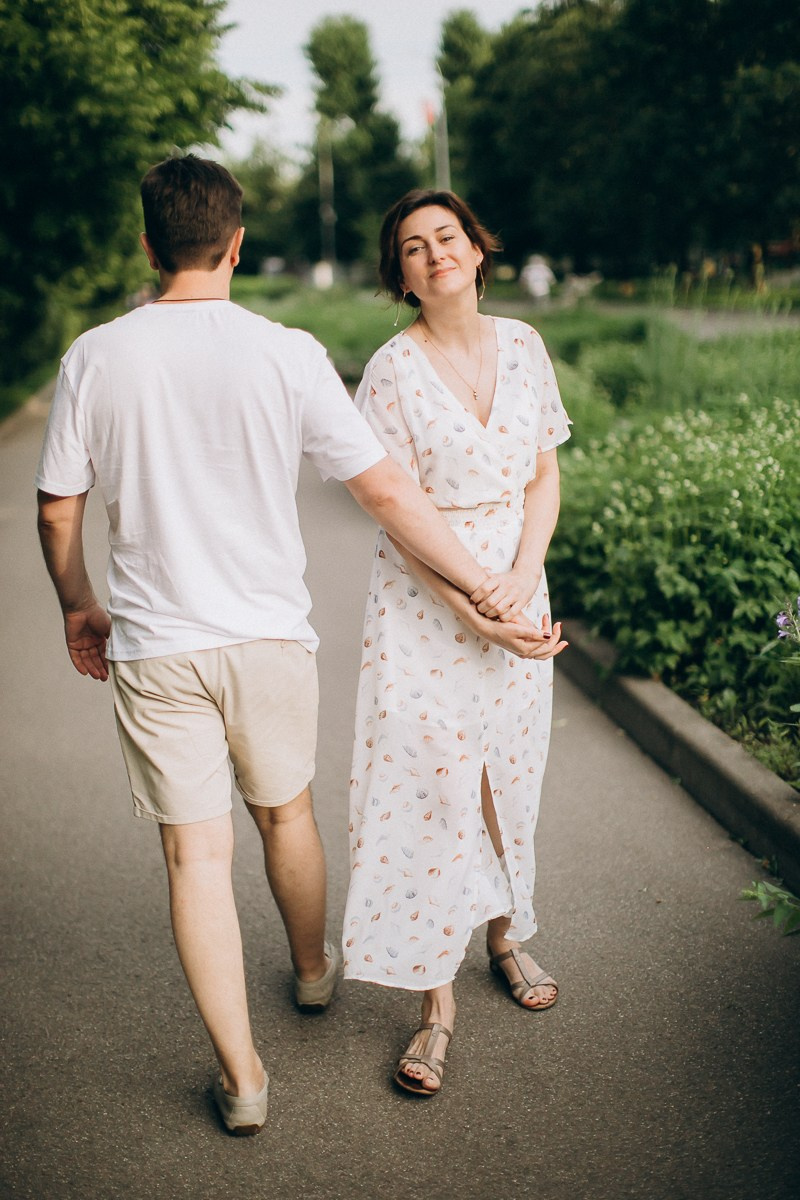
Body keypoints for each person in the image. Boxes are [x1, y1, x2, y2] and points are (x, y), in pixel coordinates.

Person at [35, 157, 535, 1135]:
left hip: (153, 644)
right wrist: (486, 587)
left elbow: (59, 509)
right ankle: (312, 974)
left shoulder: (96, 355)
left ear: (147, 246)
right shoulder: (288, 352)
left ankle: (244, 1079)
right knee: (284, 814)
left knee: (193, 857)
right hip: (268, 635)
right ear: (236, 243)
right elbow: (384, 491)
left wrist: (77, 604)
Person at [343, 189, 571, 1096]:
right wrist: (469, 600)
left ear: (479, 251)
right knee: (427, 786)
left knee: (509, 774)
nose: (433, 253)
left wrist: (522, 573)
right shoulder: (391, 371)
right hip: (422, 602)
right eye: (411, 246)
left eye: (447, 237)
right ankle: (435, 1006)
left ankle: (508, 934)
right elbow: (395, 514)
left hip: (519, 587)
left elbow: (546, 475)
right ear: (399, 275)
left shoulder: (524, 345)